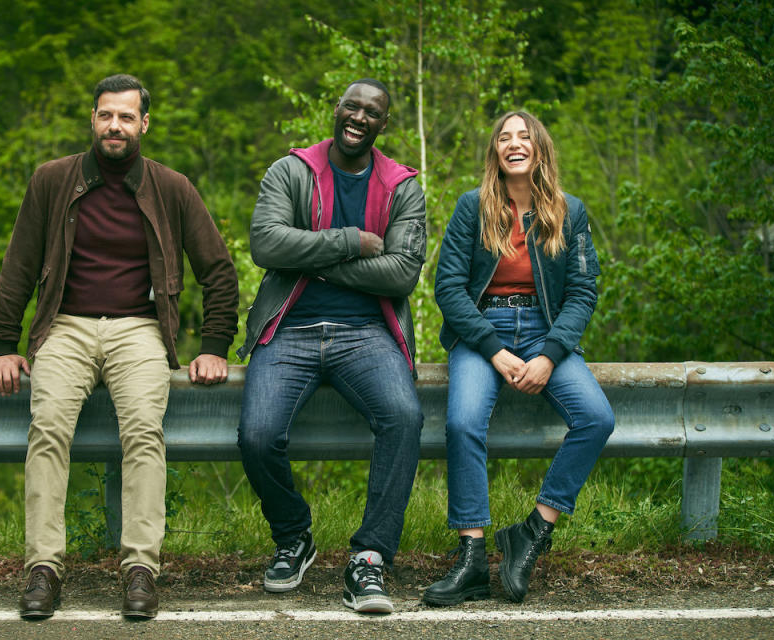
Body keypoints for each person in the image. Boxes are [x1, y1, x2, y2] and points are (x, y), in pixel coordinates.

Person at [0, 74, 239, 620]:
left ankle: (141, 569)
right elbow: (19, 265)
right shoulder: (52, 181)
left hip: (139, 329)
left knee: (145, 430)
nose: (115, 126)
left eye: (127, 117)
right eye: (106, 115)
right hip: (67, 326)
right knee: (48, 424)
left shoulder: (171, 187)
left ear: (144, 123)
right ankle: (43, 569)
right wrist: (3, 344)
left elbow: (217, 270)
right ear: (93, 120)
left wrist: (214, 344)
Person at [236, 78, 426, 614]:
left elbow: (402, 273)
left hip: (368, 335)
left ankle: (369, 558)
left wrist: (314, 260)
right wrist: (349, 241)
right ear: (336, 109)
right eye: (351, 106)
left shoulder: (402, 185)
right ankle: (294, 537)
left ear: (382, 124)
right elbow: (266, 244)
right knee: (256, 435)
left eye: (372, 112)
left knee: (404, 417)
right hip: (289, 329)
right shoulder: (291, 170)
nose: (358, 117)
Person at [425, 111, 614, 606]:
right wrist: (493, 350)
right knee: (463, 423)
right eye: (504, 137)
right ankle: (471, 559)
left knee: (596, 417)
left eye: (524, 136)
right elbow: (448, 288)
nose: (514, 143)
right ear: (496, 152)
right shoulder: (473, 208)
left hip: (544, 332)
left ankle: (532, 531)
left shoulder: (570, 212)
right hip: (482, 332)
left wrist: (551, 356)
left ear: (539, 148)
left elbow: (582, 292)